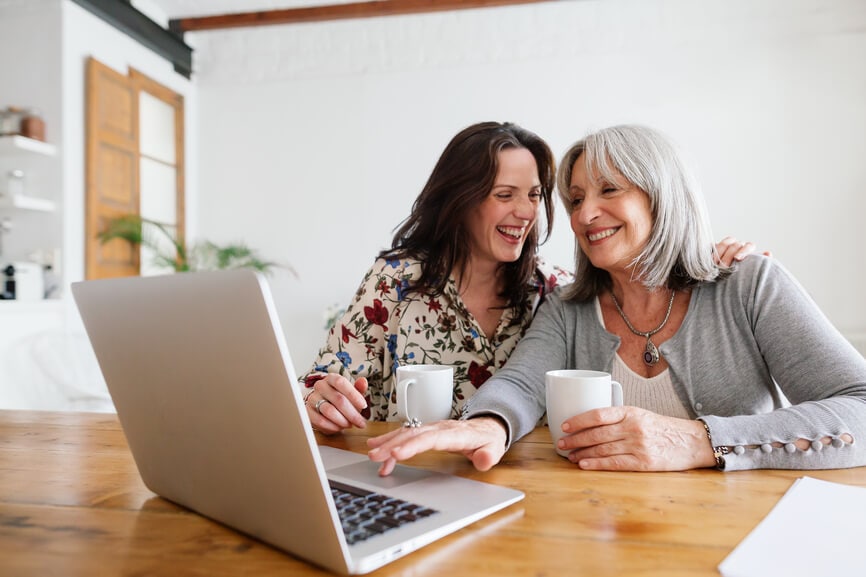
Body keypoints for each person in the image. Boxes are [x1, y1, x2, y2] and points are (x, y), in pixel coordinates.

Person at [367, 124, 866, 474]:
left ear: (662, 196)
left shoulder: (749, 284)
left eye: (610, 189)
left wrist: (697, 440)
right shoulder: (567, 308)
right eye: (576, 199)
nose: (586, 215)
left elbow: (859, 409)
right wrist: (489, 425)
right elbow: (519, 384)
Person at [301, 122, 758, 435]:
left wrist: (702, 258)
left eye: (535, 196)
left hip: (518, 490)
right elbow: (318, 383)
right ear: (461, 201)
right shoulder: (396, 281)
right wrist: (320, 398)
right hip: (401, 475)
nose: (525, 212)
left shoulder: (552, 291)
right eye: (504, 195)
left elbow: (644, 275)